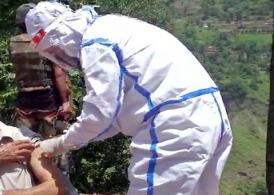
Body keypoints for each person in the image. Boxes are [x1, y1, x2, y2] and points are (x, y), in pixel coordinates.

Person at [23, 2, 233, 195]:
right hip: (210, 117)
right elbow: (113, 119)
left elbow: (101, 114)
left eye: (53, 48)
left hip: (174, 125)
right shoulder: (115, 26)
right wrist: (72, 140)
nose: (58, 54)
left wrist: (58, 144)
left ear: (59, 33)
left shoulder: (95, 44)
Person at [8, 3, 74, 175]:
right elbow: (59, 73)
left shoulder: (13, 43)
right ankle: (61, 186)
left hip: (24, 103)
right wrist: (66, 101)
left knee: (25, 146)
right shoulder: (44, 40)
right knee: (58, 147)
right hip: (49, 102)